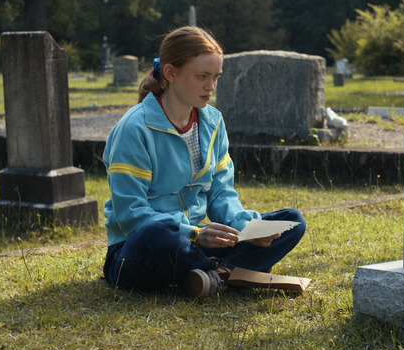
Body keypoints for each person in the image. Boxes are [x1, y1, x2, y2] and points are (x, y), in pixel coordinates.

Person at [102, 26, 306, 298]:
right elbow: (131, 215)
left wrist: (246, 227)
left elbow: (221, 193)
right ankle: (230, 271)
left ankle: (212, 276)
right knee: (161, 234)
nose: (210, 87)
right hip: (140, 248)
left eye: (216, 77)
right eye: (202, 76)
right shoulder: (134, 128)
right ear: (171, 73)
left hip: (196, 245)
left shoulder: (213, 122)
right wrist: (195, 233)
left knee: (292, 221)